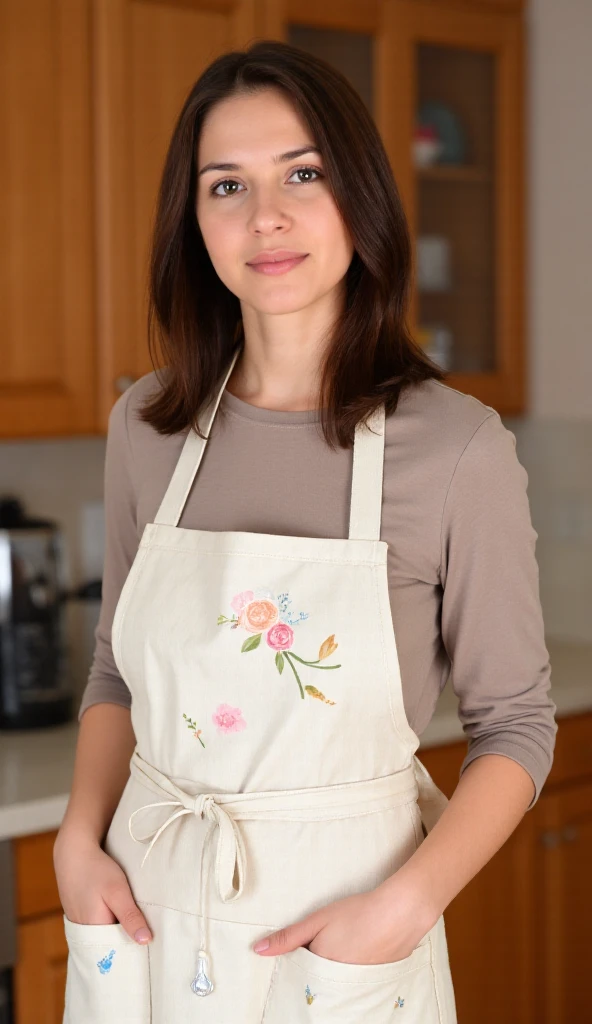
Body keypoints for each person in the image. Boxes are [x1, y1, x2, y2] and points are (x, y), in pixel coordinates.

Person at [54, 40, 556, 1024]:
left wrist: (404, 907)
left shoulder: (455, 449)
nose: (264, 218)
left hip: (345, 936)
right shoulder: (145, 427)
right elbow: (116, 668)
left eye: (303, 173)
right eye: (225, 185)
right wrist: (79, 836)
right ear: (192, 219)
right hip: (144, 910)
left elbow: (517, 727)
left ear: (357, 194)